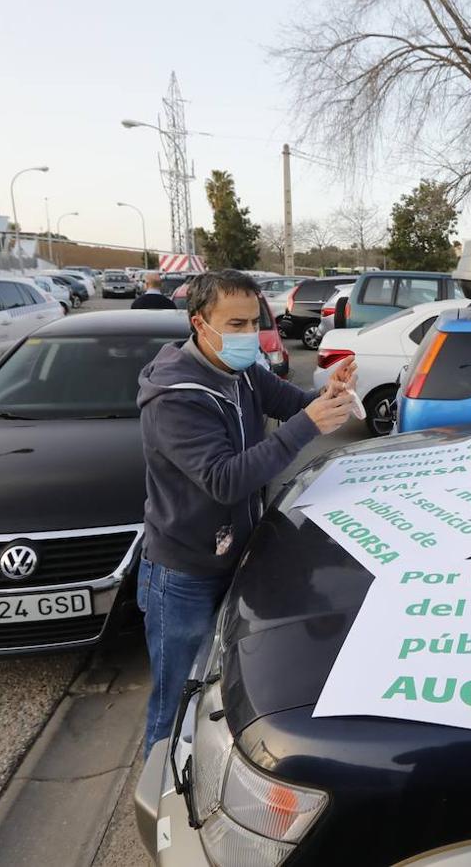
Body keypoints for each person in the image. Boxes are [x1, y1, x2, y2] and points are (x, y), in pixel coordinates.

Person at [135, 270, 357, 758]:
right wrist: (305, 426)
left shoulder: (242, 373)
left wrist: (329, 393)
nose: (247, 336)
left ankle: (209, 766)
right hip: (183, 570)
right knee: (175, 697)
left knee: (218, 681)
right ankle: (158, 785)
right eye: (234, 324)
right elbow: (225, 479)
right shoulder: (176, 398)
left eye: (253, 322)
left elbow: (295, 404)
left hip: (237, 553)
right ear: (200, 323)